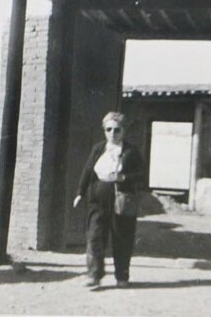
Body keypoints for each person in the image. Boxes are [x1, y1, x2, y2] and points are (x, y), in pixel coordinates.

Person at [73, 111, 146, 290]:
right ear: (104, 130)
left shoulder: (131, 151)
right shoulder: (98, 148)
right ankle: (94, 276)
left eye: (117, 130)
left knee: (122, 239)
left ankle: (122, 276)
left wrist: (124, 178)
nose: (113, 133)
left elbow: (142, 176)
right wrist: (80, 192)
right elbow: (88, 170)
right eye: (109, 129)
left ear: (124, 131)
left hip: (121, 201)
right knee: (95, 237)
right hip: (97, 200)